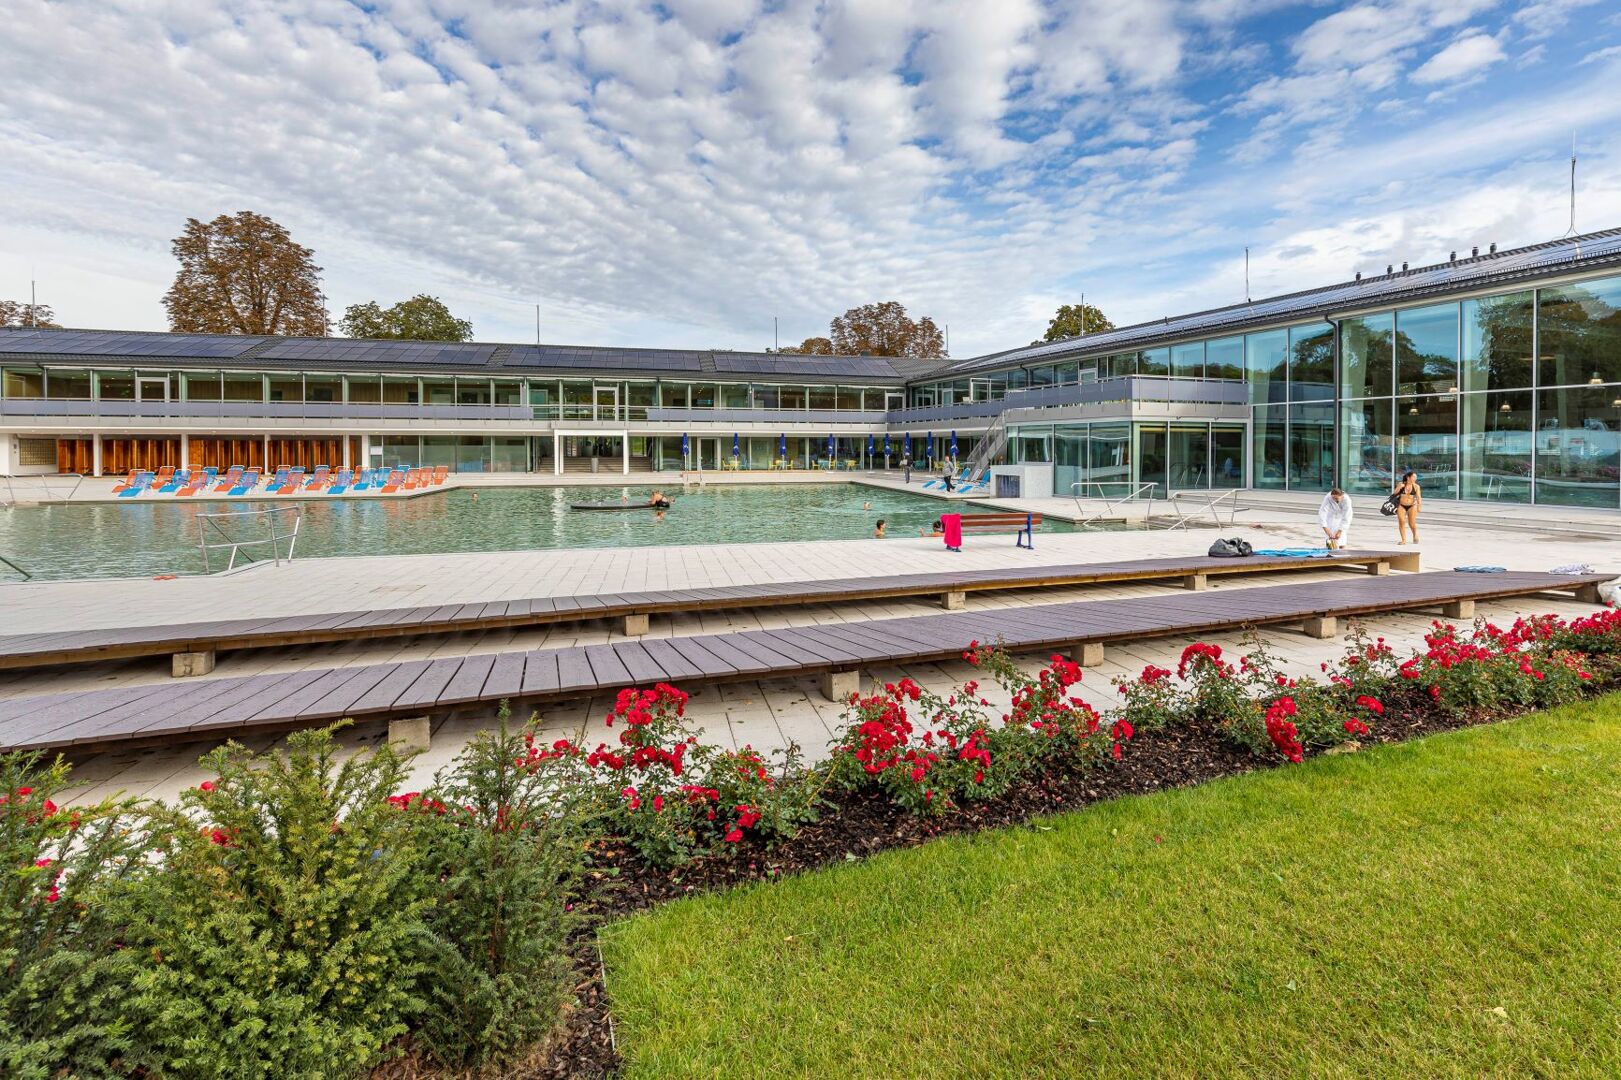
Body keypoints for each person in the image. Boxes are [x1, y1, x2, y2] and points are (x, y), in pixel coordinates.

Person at [1392, 470, 1422, 544]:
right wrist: (1399, 487)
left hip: (1412, 506)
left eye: (1416, 477)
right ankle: (1403, 540)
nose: (1415, 478)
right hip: (1401, 505)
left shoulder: (1416, 486)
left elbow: (1419, 497)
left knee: (1412, 523)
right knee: (1401, 522)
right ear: (1408, 477)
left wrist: (1419, 506)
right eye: (1414, 477)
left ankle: (1415, 535)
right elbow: (1394, 493)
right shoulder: (1401, 484)